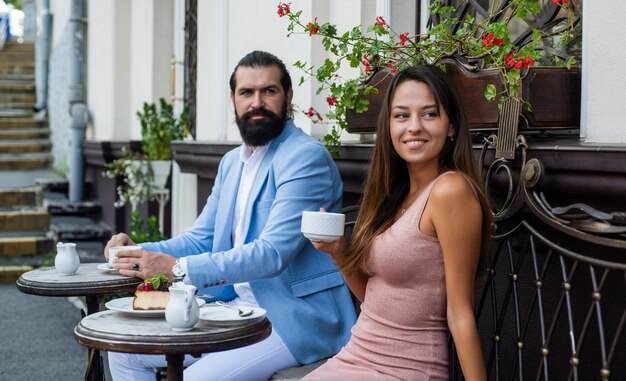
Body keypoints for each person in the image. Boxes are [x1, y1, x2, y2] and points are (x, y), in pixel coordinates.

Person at [105, 50, 357, 381]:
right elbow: (202, 238)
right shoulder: (232, 162)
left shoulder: (304, 158)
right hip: (233, 308)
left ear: (288, 97)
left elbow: (273, 253)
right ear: (233, 99)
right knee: (124, 351)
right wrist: (136, 252)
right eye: (246, 93)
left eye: (269, 91)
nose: (257, 102)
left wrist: (178, 269)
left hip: (292, 319)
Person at [303, 64, 492, 381]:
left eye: (429, 114)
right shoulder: (392, 194)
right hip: (354, 358)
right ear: (388, 126)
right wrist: (339, 252)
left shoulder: (450, 192)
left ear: (452, 127)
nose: (414, 126)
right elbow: (375, 300)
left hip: (405, 369)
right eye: (402, 115)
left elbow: (460, 313)